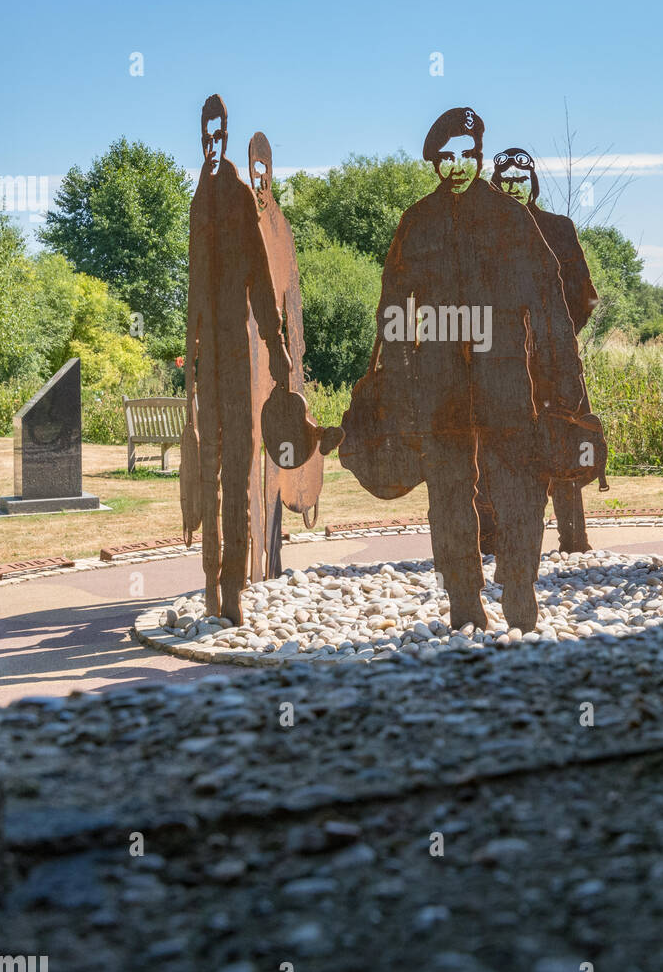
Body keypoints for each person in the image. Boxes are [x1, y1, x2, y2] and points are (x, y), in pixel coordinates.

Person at [341, 107, 585, 633]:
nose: (457, 166)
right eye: (446, 157)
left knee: (519, 487)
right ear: (434, 161)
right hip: (439, 386)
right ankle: (464, 601)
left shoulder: (510, 220)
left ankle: (520, 591)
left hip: (506, 384)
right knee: (449, 493)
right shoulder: (417, 222)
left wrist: (565, 386)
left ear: (478, 156)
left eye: (467, 156)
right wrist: (400, 385)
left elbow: (549, 308)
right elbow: (393, 313)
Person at [180, 95, 291, 623]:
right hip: (207, 361)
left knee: (238, 467)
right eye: (205, 133)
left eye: (218, 133)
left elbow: (264, 284)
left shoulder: (240, 196)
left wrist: (277, 345)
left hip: (237, 357)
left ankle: (232, 588)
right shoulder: (199, 200)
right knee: (208, 468)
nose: (211, 142)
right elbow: (191, 291)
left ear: (226, 134)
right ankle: (208, 581)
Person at [489, 146, 604, 554]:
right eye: (507, 182)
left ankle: (574, 539)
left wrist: (557, 334)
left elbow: (585, 297)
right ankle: (492, 540)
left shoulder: (559, 228)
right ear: (496, 185)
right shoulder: (482, 232)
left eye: (522, 180)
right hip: (498, 361)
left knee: (565, 437)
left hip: (554, 363)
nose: (515, 188)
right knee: (492, 444)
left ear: (532, 183)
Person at [246, 130, 322, 579]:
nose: (260, 181)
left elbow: (292, 300)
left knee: (279, 455)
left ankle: (271, 557)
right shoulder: (242, 225)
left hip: (279, 363)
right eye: (254, 170)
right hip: (249, 355)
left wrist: (296, 356)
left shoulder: (281, 228)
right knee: (249, 456)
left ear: (271, 175)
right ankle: (252, 557)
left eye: (265, 172)